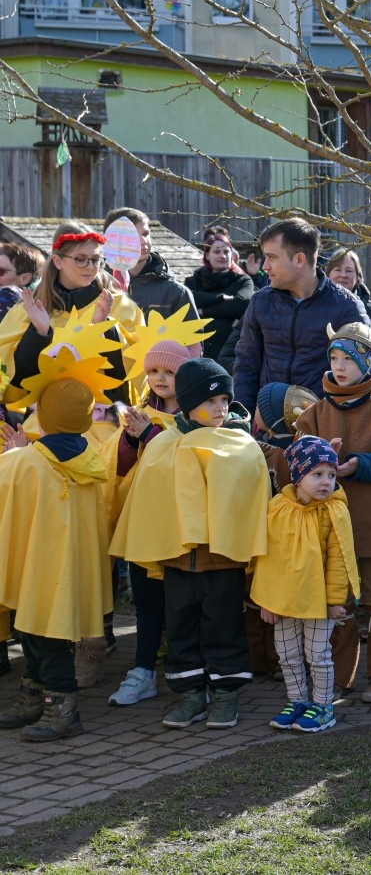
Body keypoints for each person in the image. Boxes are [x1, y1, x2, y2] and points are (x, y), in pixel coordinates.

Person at [110, 357, 271, 729]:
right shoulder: (165, 443)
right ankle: (191, 696)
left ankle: (226, 696)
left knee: (224, 626)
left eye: (225, 401)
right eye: (211, 401)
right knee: (180, 626)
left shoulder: (241, 444)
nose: (220, 408)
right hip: (178, 559)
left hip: (222, 559)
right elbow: (152, 498)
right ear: (189, 403)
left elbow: (249, 499)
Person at [296, 322, 371, 704]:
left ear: (367, 363)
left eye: (348, 358)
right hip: (327, 526)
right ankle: (339, 675)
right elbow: (296, 458)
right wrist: (319, 458)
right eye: (334, 357)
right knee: (339, 600)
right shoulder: (315, 412)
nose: (340, 365)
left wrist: (356, 464)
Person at [0, 376, 113, 741]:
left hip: (36, 567)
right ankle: (34, 698)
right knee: (37, 633)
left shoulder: (26, 462)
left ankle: (64, 711)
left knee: (43, 639)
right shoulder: (92, 460)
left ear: (44, 419)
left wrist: (9, 455)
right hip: (68, 568)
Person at [105, 339, 196, 707]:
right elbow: (119, 468)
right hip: (142, 521)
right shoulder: (139, 413)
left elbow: (188, 460)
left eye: (169, 372)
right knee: (145, 600)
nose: (160, 379)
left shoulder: (195, 418)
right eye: (154, 371)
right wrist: (129, 438)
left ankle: (186, 672)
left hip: (178, 524)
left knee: (180, 601)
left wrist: (150, 435)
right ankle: (142, 670)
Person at [251, 436, 358, 733]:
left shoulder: (333, 510)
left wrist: (336, 600)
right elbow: (269, 556)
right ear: (298, 476)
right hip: (284, 599)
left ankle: (323, 707)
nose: (326, 482)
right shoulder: (278, 507)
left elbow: (339, 558)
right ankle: (297, 701)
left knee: (318, 654)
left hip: (319, 599)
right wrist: (268, 600)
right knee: (287, 654)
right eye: (317, 474)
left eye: (332, 475)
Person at [233, 218, 370, 412]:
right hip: (267, 428)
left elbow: (364, 373)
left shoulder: (347, 307)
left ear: (299, 260)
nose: (265, 266)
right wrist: (242, 420)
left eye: (272, 257)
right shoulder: (260, 302)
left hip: (325, 430)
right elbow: (246, 366)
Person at [0, 225, 143, 407]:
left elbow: (135, 381)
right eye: (81, 259)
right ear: (58, 261)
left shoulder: (119, 306)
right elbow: (10, 386)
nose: (91, 267)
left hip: (103, 423)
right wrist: (38, 335)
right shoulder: (27, 309)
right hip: (40, 420)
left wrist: (105, 328)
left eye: (95, 259)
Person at [104, 208, 196, 320]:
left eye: (145, 234)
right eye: (133, 236)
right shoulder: (96, 287)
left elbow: (194, 335)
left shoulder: (175, 292)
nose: (143, 241)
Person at [189, 234, 255, 369]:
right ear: (207, 255)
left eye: (226, 251)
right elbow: (190, 298)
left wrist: (203, 310)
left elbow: (240, 304)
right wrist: (220, 298)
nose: (223, 255)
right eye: (217, 251)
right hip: (197, 350)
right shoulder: (193, 281)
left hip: (228, 352)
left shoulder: (243, 281)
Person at [326, 248, 371, 320]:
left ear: (358, 277)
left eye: (349, 271)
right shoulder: (317, 305)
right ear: (328, 274)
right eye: (338, 270)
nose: (343, 275)